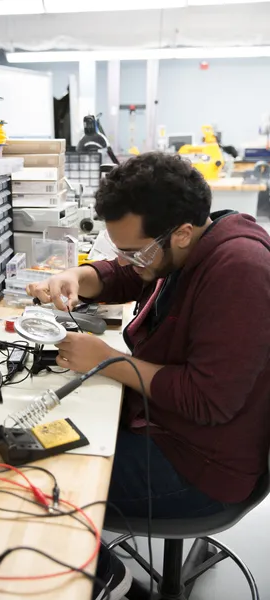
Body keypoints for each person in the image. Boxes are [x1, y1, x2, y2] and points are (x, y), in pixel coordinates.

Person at [27, 153, 270, 599]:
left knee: (37, 479)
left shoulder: (240, 271)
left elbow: (209, 399)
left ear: (181, 232)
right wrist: (77, 275)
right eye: (120, 248)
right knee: (38, 442)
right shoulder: (188, 243)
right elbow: (130, 275)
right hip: (166, 429)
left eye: (136, 251)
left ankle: (111, 584)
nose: (129, 260)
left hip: (202, 468)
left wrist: (104, 359)